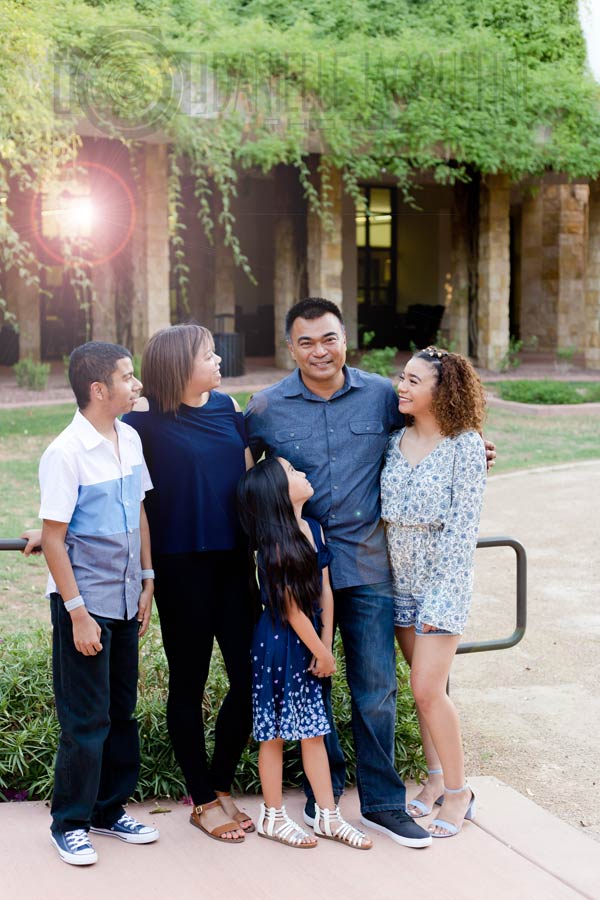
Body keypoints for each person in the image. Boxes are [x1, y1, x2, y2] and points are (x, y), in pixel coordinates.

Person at [245, 297, 496, 849]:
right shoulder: (264, 409)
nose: (319, 350)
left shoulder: (384, 395)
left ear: (345, 338)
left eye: (329, 338)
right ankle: (323, 800)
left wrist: (476, 450)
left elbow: (438, 426)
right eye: (306, 341)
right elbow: (245, 475)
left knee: (377, 690)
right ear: (291, 347)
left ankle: (383, 804)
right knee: (315, 684)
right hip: (305, 575)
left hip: (370, 566)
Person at [123, 323, 255, 843]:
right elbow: (103, 479)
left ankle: (220, 784)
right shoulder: (141, 425)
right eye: (208, 353)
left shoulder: (228, 409)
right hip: (180, 571)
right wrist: (45, 528)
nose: (219, 359)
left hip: (235, 565)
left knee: (249, 679)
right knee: (189, 683)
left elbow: (250, 478)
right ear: (180, 365)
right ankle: (201, 798)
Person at [39, 341, 159, 866]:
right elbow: (52, 540)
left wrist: (148, 578)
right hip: (84, 607)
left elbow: (139, 510)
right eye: (128, 377)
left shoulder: (129, 438)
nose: (136, 385)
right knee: (86, 720)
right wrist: (78, 613)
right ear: (98, 389)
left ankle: (110, 811)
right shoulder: (64, 453)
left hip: (127, 596)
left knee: (121, 712)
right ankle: (69, 823)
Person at [237, 456, 373, 850]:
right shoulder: (273, 543)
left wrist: (325, 644)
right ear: (278, 491)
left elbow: (325, 591)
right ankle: (273, 816)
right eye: (293, 473)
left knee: (314, 730)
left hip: (311, 641)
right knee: (276, 734)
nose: (303, 474)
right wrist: (319, 648)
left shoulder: (313, 528)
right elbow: (291, 607)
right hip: (279, 643)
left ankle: (329, 816)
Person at [381, 347, 487, 837]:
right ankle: (434, 781)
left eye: (414, 380)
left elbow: (463, 530)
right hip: (398, 581)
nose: (401, 386)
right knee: (426, 691)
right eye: (403, 378)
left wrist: (441, 597)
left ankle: (460, 793)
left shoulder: (465, 445)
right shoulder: (394, 440)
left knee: (427, 688)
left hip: (442, 582)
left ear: (441, 390)